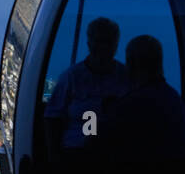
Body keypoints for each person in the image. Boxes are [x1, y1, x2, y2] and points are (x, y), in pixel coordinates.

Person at [44, 16, 129, 154]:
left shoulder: (126, 77)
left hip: (115, 154)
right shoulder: (71, 78)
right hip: (77, 153)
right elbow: (52, 119)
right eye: (100, 42)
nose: (103, 47)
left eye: (108, 42)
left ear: (115, 45)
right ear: (90, 43)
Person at [103, 33, 185, 161]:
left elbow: (96, 143)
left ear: (132, 64)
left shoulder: (130, 105)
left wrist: (94, 114)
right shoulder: (174, 98)